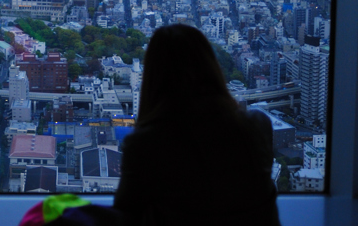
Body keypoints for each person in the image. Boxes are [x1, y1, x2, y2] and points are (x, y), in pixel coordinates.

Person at [112, 24, 281, 226]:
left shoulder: (145, 145)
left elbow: (125, 214)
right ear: (211, 67)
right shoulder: (256, 127)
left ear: (153, 77)